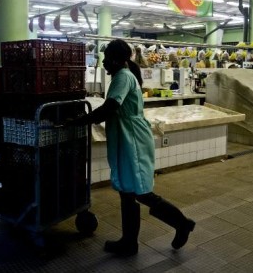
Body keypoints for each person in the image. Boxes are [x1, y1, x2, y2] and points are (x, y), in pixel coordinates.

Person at [63, 39, 195, 256]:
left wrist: (79, 121)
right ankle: (129, 242)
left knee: (141, 192)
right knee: (127, 192)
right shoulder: (121, 75)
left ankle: (182, 224)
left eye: (106, 59)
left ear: (116, 59)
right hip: (127, 138)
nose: (104, 63)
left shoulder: (123, 77)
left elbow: (110, 107)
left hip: (133, 141)